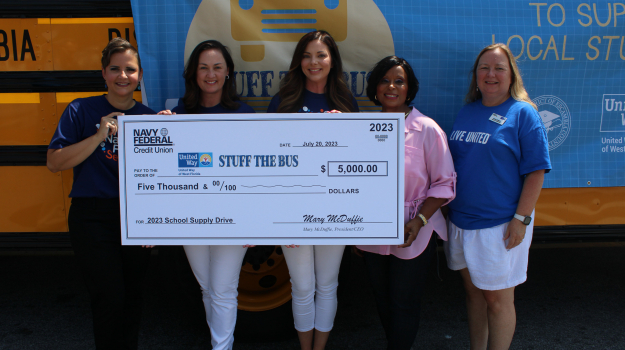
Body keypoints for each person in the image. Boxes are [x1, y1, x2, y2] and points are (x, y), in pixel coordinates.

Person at [46, 37, 155, 349]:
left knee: (132, 297)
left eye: (130, 70)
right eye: (115, 69)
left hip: (135, 217)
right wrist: (99, 135)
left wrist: (169, 130)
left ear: (140, 75)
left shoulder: (148, 118)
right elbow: (54, 162)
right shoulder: (81, 109)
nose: (123, 76)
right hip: (92, 216)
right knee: (109, 297)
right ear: (104, 74)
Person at [444, 43, 551, 350]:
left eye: (499, 68)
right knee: (474, 293)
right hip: (461, 222)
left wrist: (521, 219)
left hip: (500, 225)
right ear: (476, 76)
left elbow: (536, 171)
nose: (491, 74)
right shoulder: (468, 111)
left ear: (511, 75)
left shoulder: (524, 114)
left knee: (498, 300)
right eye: (484, 68)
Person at [158, 39, 254, 350]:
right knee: (207, 289)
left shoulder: (245, 113)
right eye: (203, 68)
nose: (210, 74)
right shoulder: (178, 112)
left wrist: (256, 220)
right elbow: (162, 166)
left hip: (234, 217)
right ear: (193, 74)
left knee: (223, 289)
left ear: (228, 73)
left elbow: (257, 172)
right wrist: (160, 130)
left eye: (217, 67)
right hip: (192, 215)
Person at [266, 30, 359, 350]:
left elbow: (359, 162)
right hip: (293, 210)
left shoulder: (346, 102)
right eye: (306, 55)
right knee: (302, 287)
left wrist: (344, 128)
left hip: (335, 208)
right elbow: (269, 159)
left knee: (328, 285)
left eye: (320, 55)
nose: (313, 62)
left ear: (332, 61)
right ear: (298, 62)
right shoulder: (283, 101)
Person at [356, 56, 456, 350]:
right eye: (385, 80)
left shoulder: (427, 129)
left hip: (414, 227)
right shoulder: (362, 127)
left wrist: (419, 220)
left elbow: (444, 183)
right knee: (382, 298)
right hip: (372, 228)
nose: (391, 86)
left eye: (399, 81)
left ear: (409, 89)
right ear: (375, 88)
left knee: (404, 300)